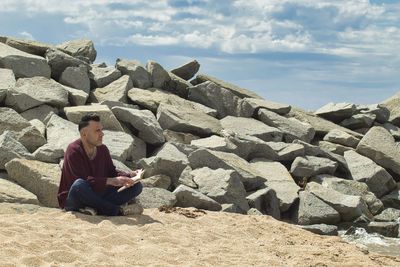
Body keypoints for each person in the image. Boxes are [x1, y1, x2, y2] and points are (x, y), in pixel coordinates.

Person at [57, 113, 143, 216]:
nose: (102, 134)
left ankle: (94, 208)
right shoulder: (74, 150)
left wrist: (130, 176)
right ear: (84, 134)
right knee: (79, 184)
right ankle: (117, 211)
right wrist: (110, 181)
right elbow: (84, 180)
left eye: (101, 130)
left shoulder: (103, 149)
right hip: (76, 198)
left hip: (98, 194)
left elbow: (112, 172)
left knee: (136, 186)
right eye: (97, 131)